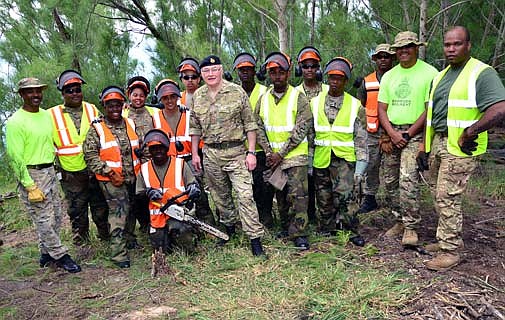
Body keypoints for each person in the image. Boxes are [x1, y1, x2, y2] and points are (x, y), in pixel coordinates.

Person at [419, 26, 505, 270]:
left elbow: (499, 108)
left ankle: (450, 251)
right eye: (447, 45)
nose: (451, 49)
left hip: (461, 147)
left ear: (468, 45)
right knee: (439, 195)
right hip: (439, 142)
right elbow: (433, 114)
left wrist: (471, 131)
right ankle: (446, 237)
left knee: (447, 197)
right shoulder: (441, 76)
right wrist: (425, 147)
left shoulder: (481, 73)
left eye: (457, 44)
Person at [190, 55, 265, 256]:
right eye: (206, 71)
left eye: (214, 70)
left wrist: (251, 152)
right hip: (211, 153)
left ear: (221, 71)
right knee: (220, 196)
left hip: (236, 152)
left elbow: (250, 124)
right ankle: (229, 230)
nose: (211, 74)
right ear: (202, 74)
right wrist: (195, 154)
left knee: (245, 195)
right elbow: (195, 127)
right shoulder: (197, 96)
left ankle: (255, 239)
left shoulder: (236, 92)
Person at [6, 78, 81, 273]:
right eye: (30, 92)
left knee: (55, 215)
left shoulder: (45, 115)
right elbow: (15, 157)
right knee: (43, 219)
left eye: (38, 91)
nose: (35, 95)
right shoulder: (16, 122)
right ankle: (61, 255)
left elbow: (54, 142)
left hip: (50, 170)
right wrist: (29, 185)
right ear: (22, 95)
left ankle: (46, 254)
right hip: (32, 173)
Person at [378, 31, 438, 246]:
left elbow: (429, 109)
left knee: (407, 179)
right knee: (389, 181)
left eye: (408, 47)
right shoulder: (389, 76)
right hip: (391, 133)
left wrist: (409, 134)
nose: (404, 51)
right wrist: (392, 134)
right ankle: (399, 220)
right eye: (400, 48)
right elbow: (381, 108)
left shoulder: (430, 73)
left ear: (416, 48)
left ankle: (411, 227)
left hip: (415, 134)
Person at [255, 52, 313, 250]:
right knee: (280, 195)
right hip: (274, 157)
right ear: (269, 74)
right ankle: (285, 227)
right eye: (273, 72)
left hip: (295, 156)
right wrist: (269, 151)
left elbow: (302, 128)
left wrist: (281, 153)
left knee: (298, 196)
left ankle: (300, 233)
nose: (277, 76)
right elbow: (258, 126)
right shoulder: (262, 99)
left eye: (281, 72)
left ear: (288, 74)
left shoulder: (299, 98)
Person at [310, 57, 368, 246]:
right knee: (323, 196)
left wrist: (360, 168)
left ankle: (349, 230)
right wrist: (309, 160)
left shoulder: (355, 105)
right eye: (332, 77)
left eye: (339, 78)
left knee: (346, 197)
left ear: (346, 81)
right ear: (326, 78)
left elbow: (361, 139)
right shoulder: (314, 103)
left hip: (344, 160)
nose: (335, 81)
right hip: (321, 157)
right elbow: (309, 134)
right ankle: (327, 228)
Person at [49, 70, 109, 245]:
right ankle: (82, 242)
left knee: (100, 205)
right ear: (62, 93)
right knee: (77, 209)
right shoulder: (52, 114)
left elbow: (104, 132)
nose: (75, 93)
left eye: (77, 89)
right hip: (70, 173)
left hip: (94, 169)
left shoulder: (91, 109)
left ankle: (105, 237)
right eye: (69, 90)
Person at [84, 86, 140, 268]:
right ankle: (118, 253)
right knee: (119, 213)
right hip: (111, 181)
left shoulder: (130, 123)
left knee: (131, 210)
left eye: (118, 105)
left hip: (133, 177)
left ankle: (130, 239)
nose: (114, 109)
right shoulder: (97, 128)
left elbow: (141, 148)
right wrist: (108, 172)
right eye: (110, 105)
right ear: (104, 106)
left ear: (123, 105)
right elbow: (90, 155)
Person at [152, 79, 216, 226]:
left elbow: (199, 141)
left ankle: (208, 225)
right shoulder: (155, 118)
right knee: (175, 196)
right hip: (170, 163)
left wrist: (197, 158)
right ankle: (185, 227)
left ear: (177, 97)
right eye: (165, 98)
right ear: (160, 99)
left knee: (198, 195)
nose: (169, 101)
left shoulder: (189, 115)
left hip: (189, 160)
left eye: (172, 97)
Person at [136, 129, 202, 254]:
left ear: (166, 148)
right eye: (154, 148)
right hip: (158, 217)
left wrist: (193, 189)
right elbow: (139, 194)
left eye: (161, 147)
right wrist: (148, 193)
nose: (158, 151)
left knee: (184, 242)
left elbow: (192, 184)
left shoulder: (180, 164)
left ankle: (190, 234)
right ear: (149, 151)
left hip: (179, 213)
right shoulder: (144, 169)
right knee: (160, 249)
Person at [233, 52, 273, 228]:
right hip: (239, 150)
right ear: (236, 72)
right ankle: (249, 220)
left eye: (249, 69)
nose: (245, 73)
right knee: (245, 190)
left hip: (261, 149)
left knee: (263, 187)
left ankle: (266, 218)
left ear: (255, 71)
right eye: (242, 70)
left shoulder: (265, 92)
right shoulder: (233, 92)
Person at [356, 44, 395, 213]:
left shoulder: (398, 78)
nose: (383, 59)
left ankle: (395, 201)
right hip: (371, 132)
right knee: (370, 166)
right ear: (375, 59)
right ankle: (369, 198)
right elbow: (360, 106)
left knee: (392, 168)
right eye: (380, 56)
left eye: (386, 56)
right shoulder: (367, 81)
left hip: (394, 131)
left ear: (392, 58)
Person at [295, 46, 328, 225]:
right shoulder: (294, 92)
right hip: (302, 144)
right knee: (304, 183)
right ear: (300, 68)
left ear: (318, 69)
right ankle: (308, 215)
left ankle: (325, 218)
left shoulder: (328, 90)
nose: (309, 70)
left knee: (322, 182)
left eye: (313, 66)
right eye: (305, 66)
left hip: (324, 144)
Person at [123, 76, 154, 247]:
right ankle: (132, 233)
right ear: (129, 95)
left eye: (141, 95)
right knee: (133, 199)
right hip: (131, 165)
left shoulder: (153, 112)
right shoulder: (122, 113)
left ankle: (151, 226)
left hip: (151, 163)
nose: (138, 98)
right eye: (135, 95)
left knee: (150, 196)